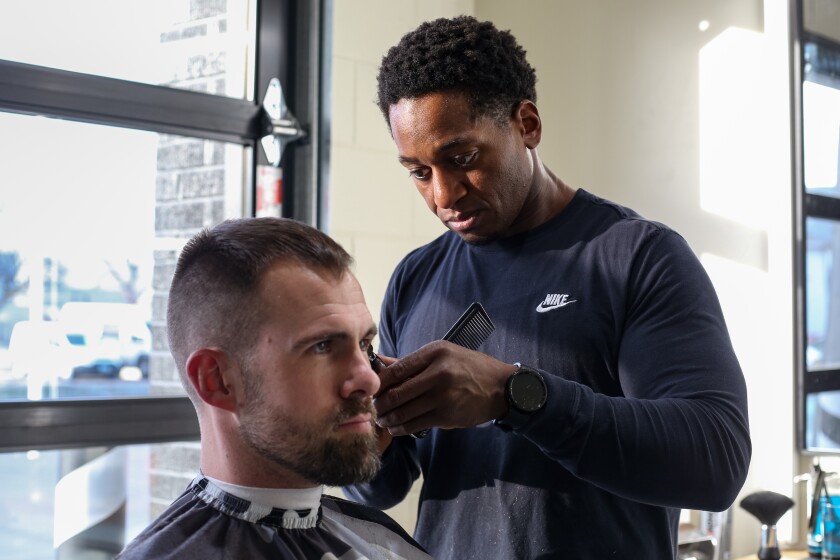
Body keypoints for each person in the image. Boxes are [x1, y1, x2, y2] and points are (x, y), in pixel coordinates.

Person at [343, 15, 752, 559]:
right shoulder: (417, 279)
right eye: (419, 172)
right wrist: (361, 440)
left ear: (527, 124)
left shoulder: (637, 257)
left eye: (461, 158)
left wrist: (513, 395)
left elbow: (716, 461)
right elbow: (382, 486)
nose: (443, 195)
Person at [117, 217, 431, 560]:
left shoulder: (378, 540)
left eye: (364, 345)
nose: (369, 379)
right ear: (216, 380)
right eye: (323, 346)